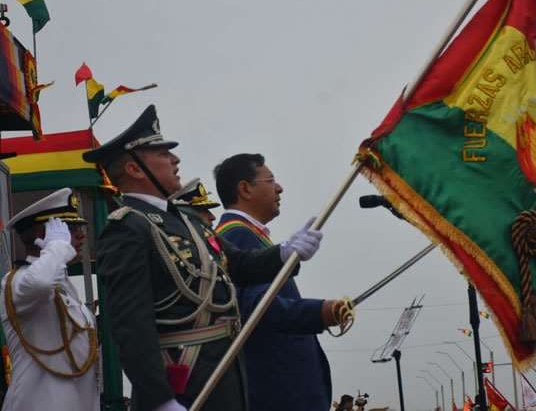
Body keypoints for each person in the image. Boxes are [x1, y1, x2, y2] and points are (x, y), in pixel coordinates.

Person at [82, 105, 328, 411]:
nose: (175, 159)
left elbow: (237, 265)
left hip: (224, 376)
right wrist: (160, 400)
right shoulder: (127, 228)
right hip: (183, 383)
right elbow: (131, 325)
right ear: (134, 169)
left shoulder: (187, 219)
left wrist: (285, 253)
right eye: (162, 154)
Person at [214, 153, 346, 411]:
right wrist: (320, 313)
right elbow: (257, 309)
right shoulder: (236, 236)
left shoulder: (251, 236)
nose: (279, 187)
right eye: (270, 180)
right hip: (276, 391)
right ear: (245, 189)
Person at [0, 188, 99, 411]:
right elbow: (40, 283)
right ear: (39, 235)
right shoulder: (15, 282)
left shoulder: (64, 285)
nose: (80, 235)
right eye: (69, 229)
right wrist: (57, 247)